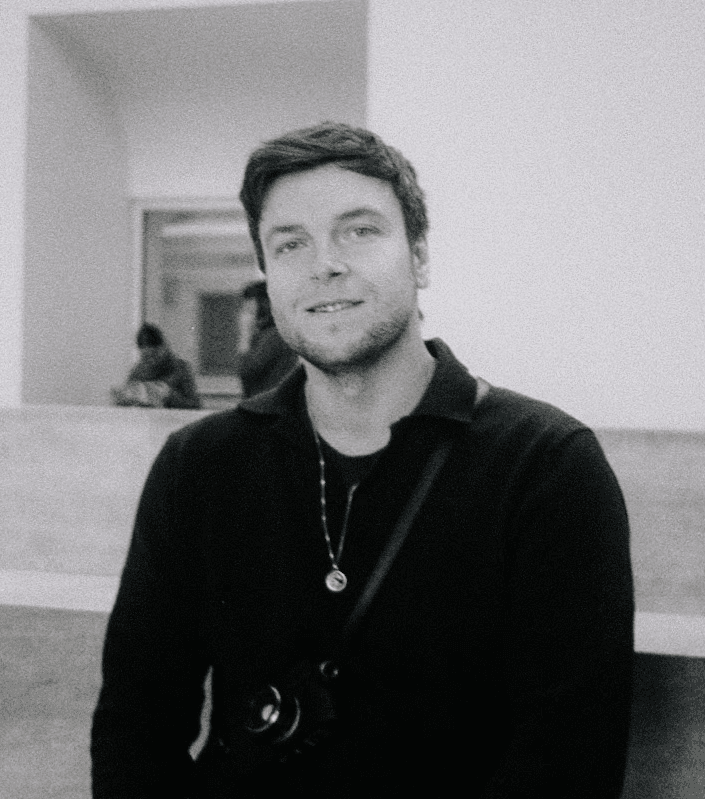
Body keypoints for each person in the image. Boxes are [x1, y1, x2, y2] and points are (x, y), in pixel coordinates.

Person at [92, 123, 634, 798]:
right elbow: (136, 725)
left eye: (358, 230)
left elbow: (566, 758)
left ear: (420, 256)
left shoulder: (545, 467)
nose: (324, 263)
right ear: (267, 273)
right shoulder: (200, 465)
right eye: (290, 243)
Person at [111, 323, 201, 409]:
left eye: (154, 355)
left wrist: (170, 396)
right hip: (145, 422)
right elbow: (128, 408)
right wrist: (123, 399)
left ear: (163, 348)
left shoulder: (181, 369)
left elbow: (195, 406)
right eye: (145, 357)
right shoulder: (138, 371)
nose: (151, 362)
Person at [235, 280, 298, 398]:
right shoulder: (274, 333)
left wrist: (244, 334)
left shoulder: (273, 335)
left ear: (263, 305)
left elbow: (247, 370)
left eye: (249, 308)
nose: (244, 313)